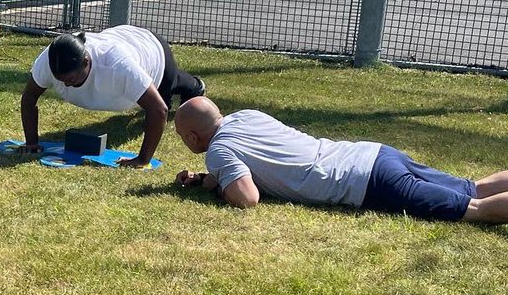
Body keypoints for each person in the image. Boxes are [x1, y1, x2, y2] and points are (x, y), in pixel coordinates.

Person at [173, 96, 508, 222]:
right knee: (472, 188)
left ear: (191, 137)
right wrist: (211, 179)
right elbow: (264, 158)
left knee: (473, 211)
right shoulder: (247, 116)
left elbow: (247, 199)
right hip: (375, 154)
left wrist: (219, 187)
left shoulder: (219, 151)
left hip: (367, 182)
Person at [19, 26, 206, 167]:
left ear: (86, 62)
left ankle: (196, 87)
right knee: (147, 100)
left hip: (153, 52)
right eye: (60, 80)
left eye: (71, 79)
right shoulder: (50, 60)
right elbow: (29, 98)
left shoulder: (117, 66)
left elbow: (158, 110)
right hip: (123, 40)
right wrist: (32, 142)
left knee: (167, 91)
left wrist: (142, 160)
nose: (66, 85)